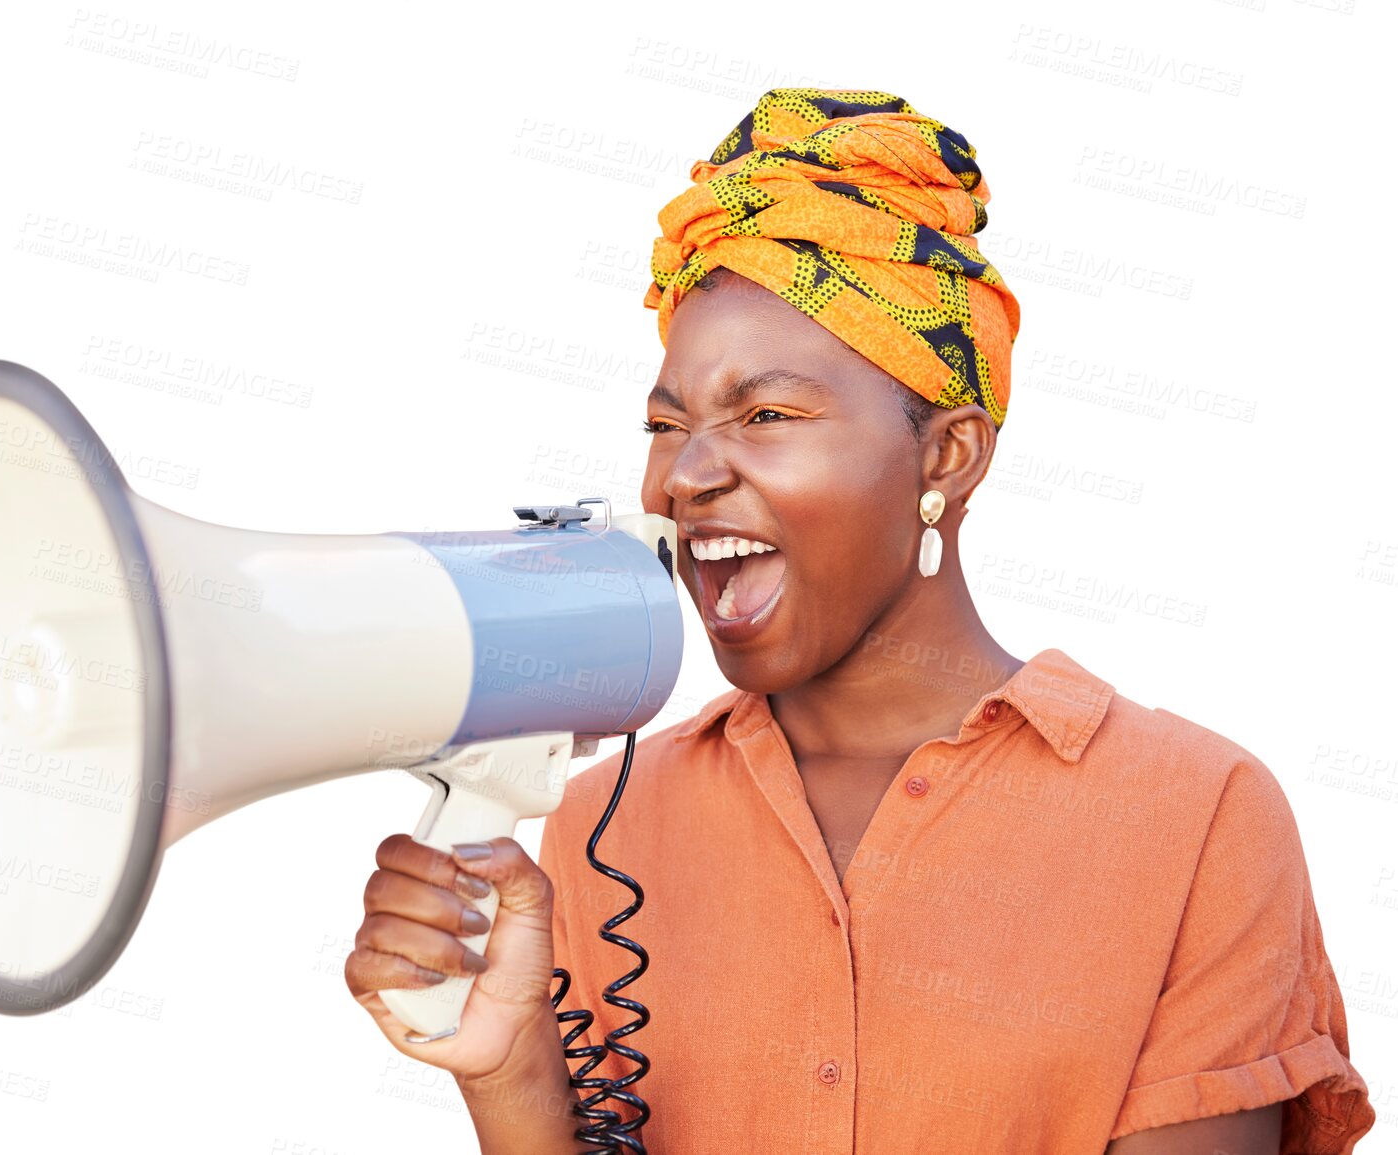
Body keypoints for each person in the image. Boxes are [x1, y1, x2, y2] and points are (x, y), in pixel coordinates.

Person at [344, 89, 1376, 1153]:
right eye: (666, 424)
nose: (687, 475)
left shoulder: (1197, 815)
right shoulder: (604, 821)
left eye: (768, 415)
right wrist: (512, 1076)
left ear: (947, 456)